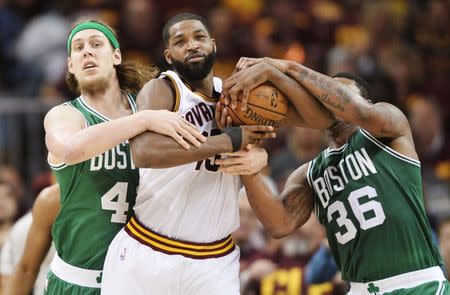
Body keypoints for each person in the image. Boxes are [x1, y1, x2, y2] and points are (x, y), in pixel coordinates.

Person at [218, 57, 449, 294]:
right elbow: (280, 224)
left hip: (417, 283)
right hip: (360, 289)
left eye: (338, 90)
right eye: (322, 94)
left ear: (366, 100)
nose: (327, 97)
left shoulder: (388, 128)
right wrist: (247, 163)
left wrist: (284, 68)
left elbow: (358, 111)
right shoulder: (309, 172)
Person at [100, 13, 282, 295]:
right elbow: (143, 152)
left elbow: (251, 149)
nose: (191, 45)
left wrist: (258, 157)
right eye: (180, 41)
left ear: (213, 44)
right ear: (169, 56)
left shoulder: (237, 97)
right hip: (149, 249)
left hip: (214, 262)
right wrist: (228, 140)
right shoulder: (163, 89)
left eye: (198, 37)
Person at [43, 18, 206, 295]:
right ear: (71, 65)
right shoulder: (66, 115)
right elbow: (70, 149)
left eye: (96, 44)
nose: (87, 52)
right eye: (78, 48)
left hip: (143, 279)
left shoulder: (148, 105)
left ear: (116, 55)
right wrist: (144, 120)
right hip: (79, 281)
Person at [2, 184, 58, 295]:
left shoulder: (21, 226)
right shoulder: (22, 227)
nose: (1, 203)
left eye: (6, 197)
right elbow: (15, 275)